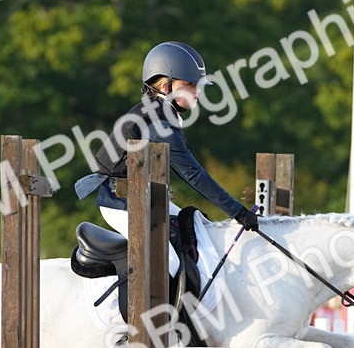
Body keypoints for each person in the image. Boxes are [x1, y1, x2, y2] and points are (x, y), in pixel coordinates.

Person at [75, 41, 258, 279]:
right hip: (119, 201)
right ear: (165, 86)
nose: (197, 91)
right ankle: (140, 304)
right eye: (190, 84)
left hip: (144, 197)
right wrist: (238, 212)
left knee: (197, 229)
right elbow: (193, 174)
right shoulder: (158, 122)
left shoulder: (161, 112)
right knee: (167, 261)